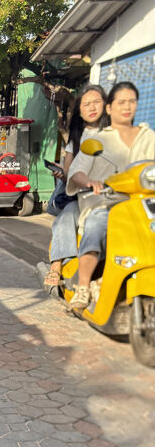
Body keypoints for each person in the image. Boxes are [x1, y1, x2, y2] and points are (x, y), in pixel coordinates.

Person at [65, 81, 155, 309]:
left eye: (132, 102)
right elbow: (76, 170)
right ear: (110, 108)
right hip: (105, 203)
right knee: (96, 224)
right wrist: (89, 181)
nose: (127, 107)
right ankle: (84, 286)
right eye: (121, 102)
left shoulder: (148, 136)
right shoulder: (98, 139)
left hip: (141, 206)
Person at [43, 84, 108, 292]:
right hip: (85, 198)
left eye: (96, 102)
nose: (92, 108)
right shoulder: (76, 138)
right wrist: (66, 175)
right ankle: (56, 265)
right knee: (67, 216)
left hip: (115, 197)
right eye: (86, 104)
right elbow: (71, 171)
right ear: (80, 110)